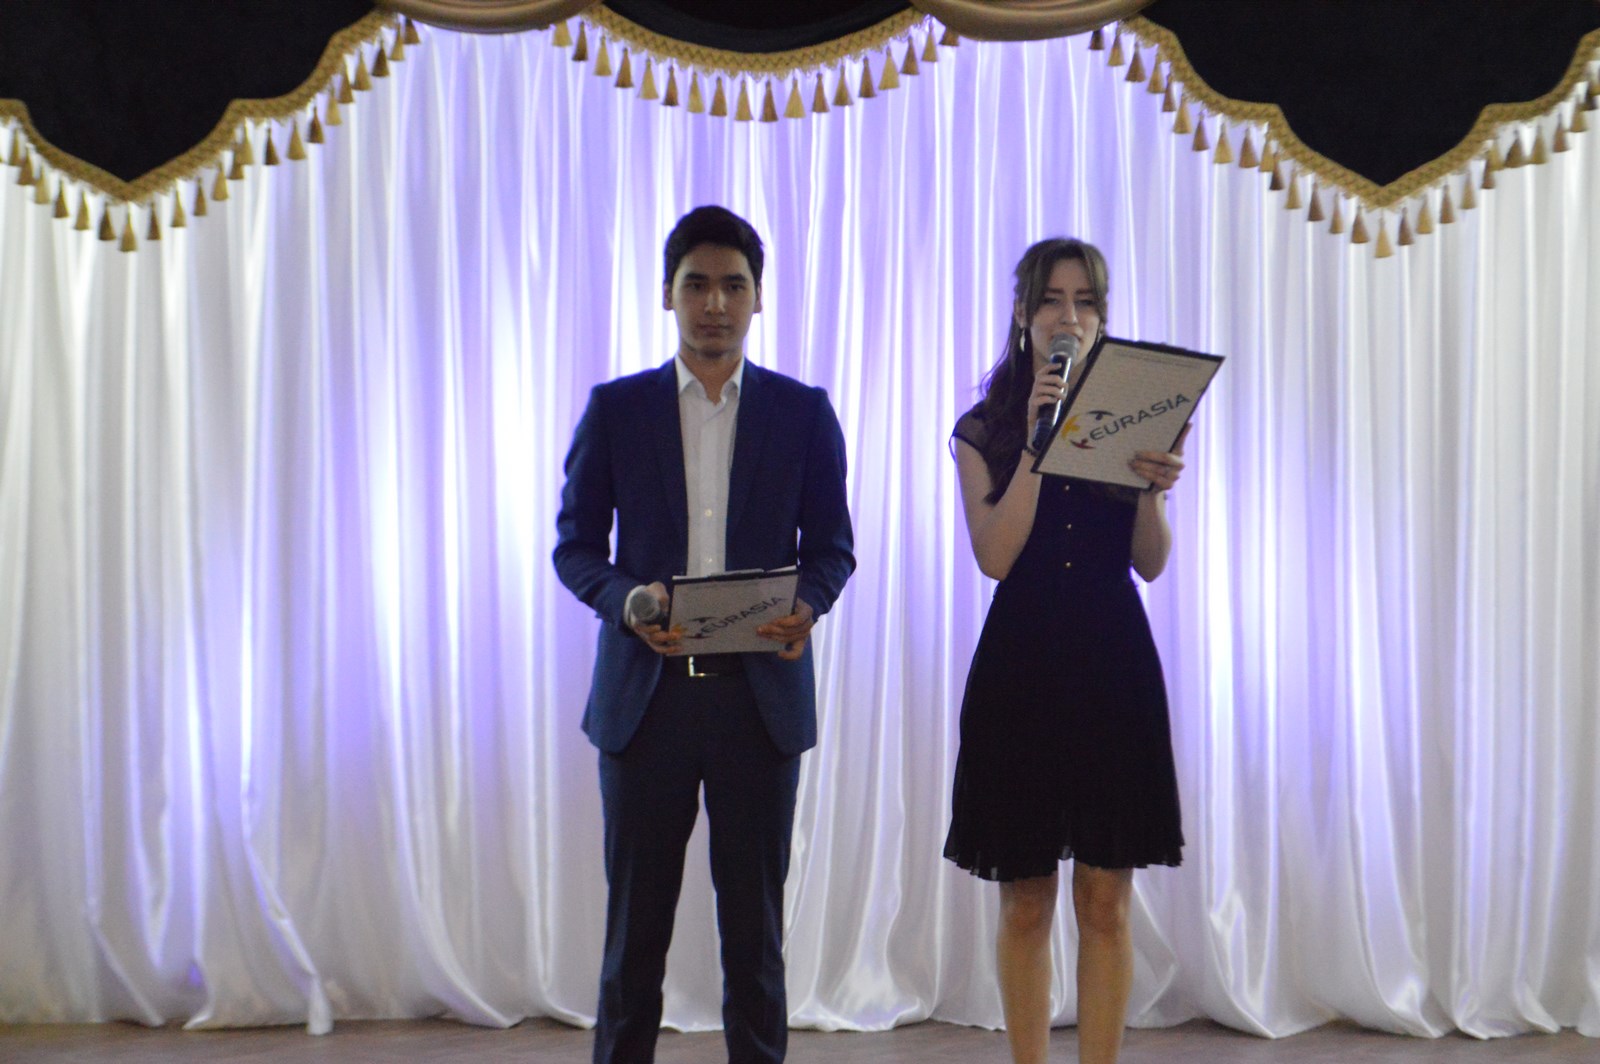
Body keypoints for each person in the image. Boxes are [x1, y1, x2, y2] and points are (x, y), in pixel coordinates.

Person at [553, 205, 855, 1064]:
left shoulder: (802, 413)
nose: (714, 303)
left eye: (733, 285)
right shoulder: (617, 410)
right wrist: (627, 601)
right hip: (645, 708)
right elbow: (575, 547)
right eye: (696, 285)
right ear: (667, 294)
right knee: (633, 941)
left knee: (754, 943)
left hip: (759, 708)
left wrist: (809, 606)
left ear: (758, 298)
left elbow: (832, 549)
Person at [943, 238, 1188, 1064]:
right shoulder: (983, 428)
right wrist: (1037, 444)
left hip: (1113, 661)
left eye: (1086, 302)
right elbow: (996, 557)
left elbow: (1150, 562)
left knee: (1106, 900)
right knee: (1025, 900)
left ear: (1103, 318)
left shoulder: (1134, 414)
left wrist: (1151, 491)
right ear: (1022, 314)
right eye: (1052, 299)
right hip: (1022, 665)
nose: (1069, 316)